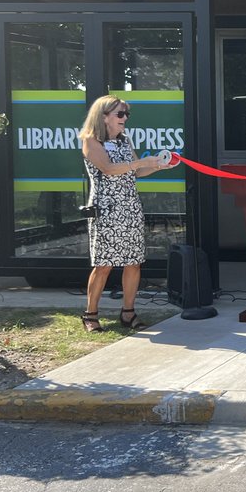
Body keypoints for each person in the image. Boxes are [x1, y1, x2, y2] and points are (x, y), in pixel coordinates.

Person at [79, 95, 168, 333]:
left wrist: (158, 165)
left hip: (130, 207)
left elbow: (136, 172)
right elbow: (108, 169)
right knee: (103, 264)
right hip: (106, 208)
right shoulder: (91, 141)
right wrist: (139, 164)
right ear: (104, 117)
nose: (125, 118)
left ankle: (128, 313)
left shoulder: (124, 140)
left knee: (134, 262)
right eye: (120, 114)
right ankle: (90, 314)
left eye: (127, 114)